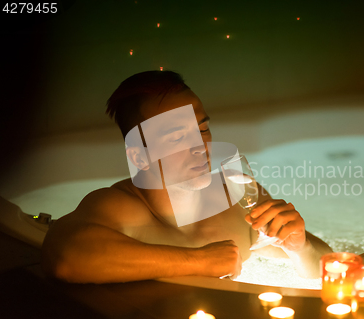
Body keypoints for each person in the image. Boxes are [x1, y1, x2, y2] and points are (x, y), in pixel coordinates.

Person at [41, 70, 337, 284]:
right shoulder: (120, 207)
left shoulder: (237, 193)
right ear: (139, 157)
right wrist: (199, 261)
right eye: (176, 137)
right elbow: (66, 256)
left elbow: (322, 270)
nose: (200, 147)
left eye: (202, 128)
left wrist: (301, 247)